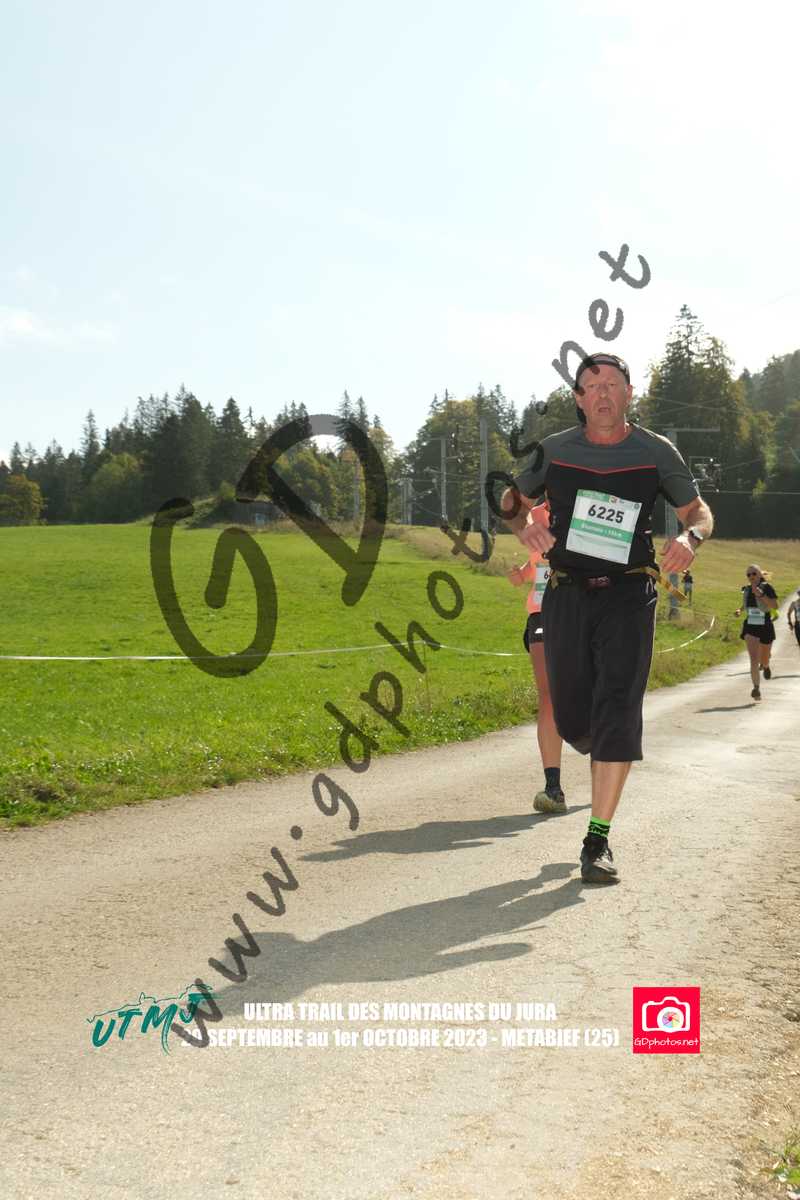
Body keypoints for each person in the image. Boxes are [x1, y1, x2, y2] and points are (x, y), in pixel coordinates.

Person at [501, 352, 713, 885]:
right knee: (574, 717)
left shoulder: (655, 451)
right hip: (566, 594)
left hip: (629, 594)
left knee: (618, 706)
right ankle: (597, 738)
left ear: (628, 394)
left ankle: (597, 840)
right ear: (578, 398)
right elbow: (511, 501)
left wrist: (691, 538)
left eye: (612, 384)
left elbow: (698, 511)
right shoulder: (555, 451)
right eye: (591, 386)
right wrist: (524, 526)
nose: (602, 393)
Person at [507, 497, 565, 814]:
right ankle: (553, 788)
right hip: (542, 612)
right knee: (548, 695)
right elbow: (539, 563)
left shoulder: (584, 505)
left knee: (587, 692)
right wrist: (523, 574)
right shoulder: (534, 515)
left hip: (582, 611)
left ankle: (603, 749)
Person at [734, 564, 778, 698]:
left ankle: (766, 666)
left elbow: (774, 605)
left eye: (754, 573)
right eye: (748, 574)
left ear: (759, 574)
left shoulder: (767, 587)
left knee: (764, 659)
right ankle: (756, 688)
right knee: (753, 659)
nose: (751, 576)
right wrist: (739, 610)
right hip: (751, 626)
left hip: (765, 625)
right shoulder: (747, 589)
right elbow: (746, 604)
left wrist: (760, 594)